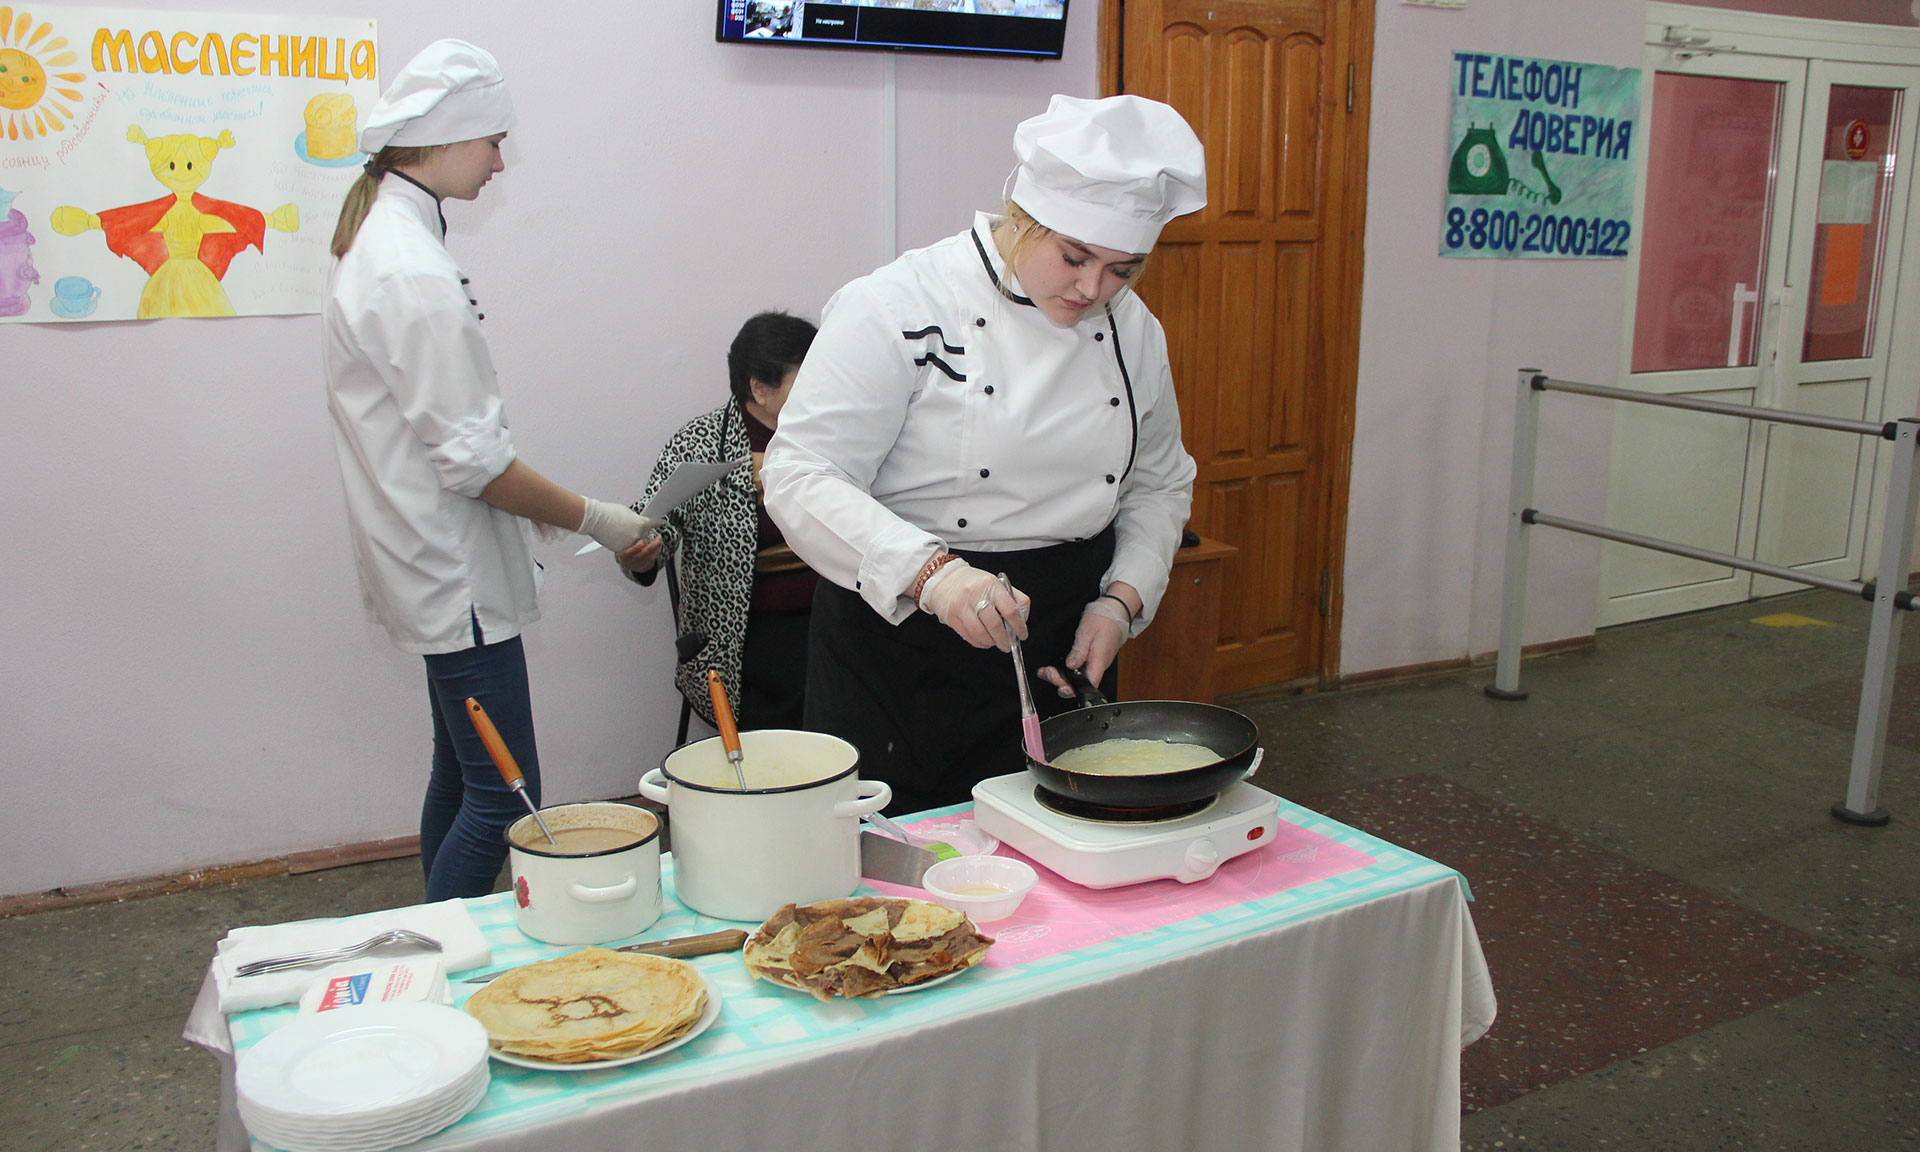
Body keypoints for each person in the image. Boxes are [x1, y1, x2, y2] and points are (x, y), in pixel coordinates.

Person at [762, 94, 1205, 814]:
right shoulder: (897, 305)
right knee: (901, 868)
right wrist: (933, 577)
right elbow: (801, 474)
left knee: (1063, 844)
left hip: (1059, 639)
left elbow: (1159, 482)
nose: (1091, 289)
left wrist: (1121, 600)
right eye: (1074, 257)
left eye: (1123, 270)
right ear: (1022, 216)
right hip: (903, 642)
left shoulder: (1134, 330)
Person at [322, 40, 654, 901]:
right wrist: (599, 519)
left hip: (428, 556)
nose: (500, 164)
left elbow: (453, 446)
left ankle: (438, 939)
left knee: (462, 773)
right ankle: (445, 950)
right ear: (445, 137)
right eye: (493, 142)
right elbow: (473, 462)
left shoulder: (389, 240)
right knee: (507, 797)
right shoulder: (410, 270)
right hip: (451, 571)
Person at [616, 312, 820, 731]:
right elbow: (656, 523)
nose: (823, 388)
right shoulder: (701, 443)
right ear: (760, 389)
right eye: (808, 378)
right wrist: (641, 554)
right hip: (746, 628)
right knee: (791, 694)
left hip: (831, 609)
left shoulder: (830, 434)